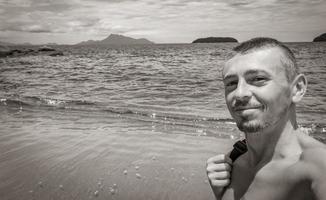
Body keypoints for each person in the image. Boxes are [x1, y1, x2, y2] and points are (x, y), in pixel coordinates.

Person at [206, 37, 326, 200]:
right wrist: (221, 194)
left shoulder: (317, 167)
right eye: (231, 83)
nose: (240, 93)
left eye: (258, 79)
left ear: (297, 89)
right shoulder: (231, 163)